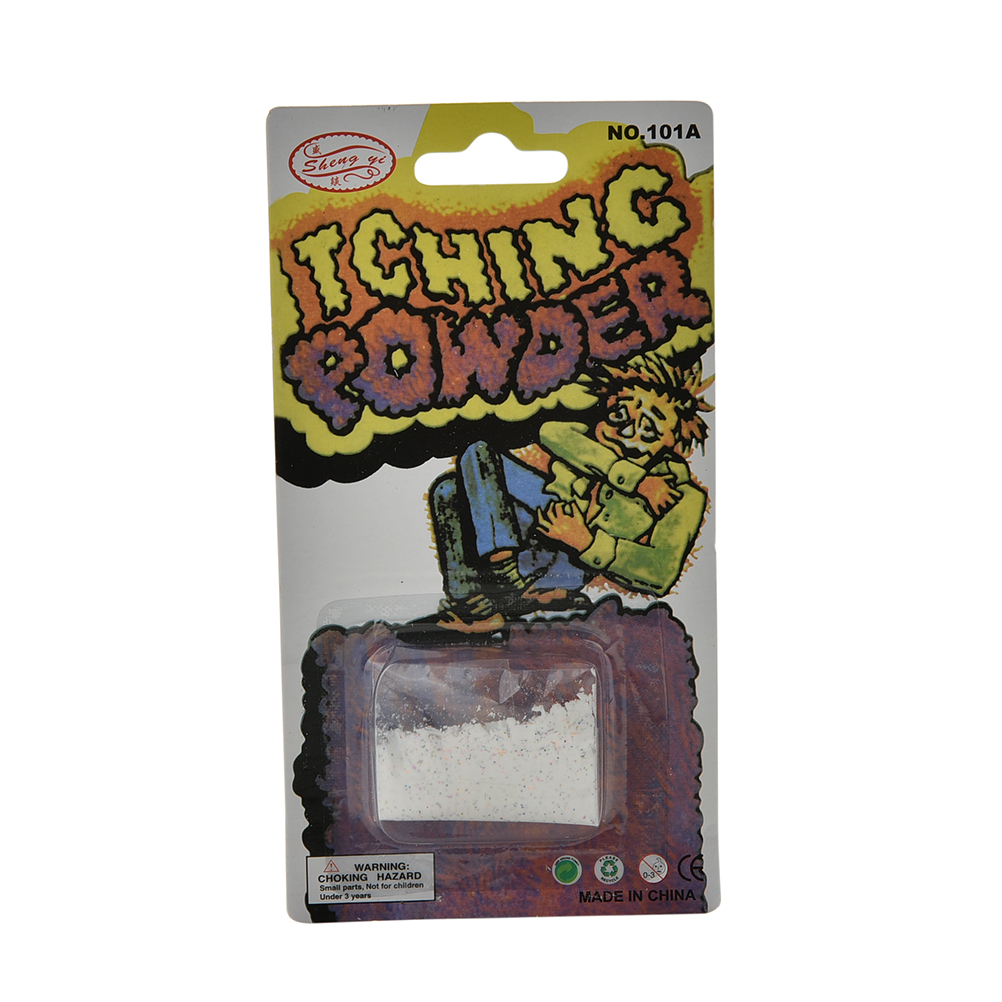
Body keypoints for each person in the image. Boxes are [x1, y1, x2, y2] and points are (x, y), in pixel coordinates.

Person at [429, 353, 711, 631]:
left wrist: (586, 542)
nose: (626, 433)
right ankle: (481, 594)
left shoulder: (683, 495)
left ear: (674, 439)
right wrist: (635, 480)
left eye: (648, 428)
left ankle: (496, 598)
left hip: (568, 561)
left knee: (455, 486)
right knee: (456, 479)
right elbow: (551, 433)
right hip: (541, 519)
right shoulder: (589, 443)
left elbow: (660, 574)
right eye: (619, 415)